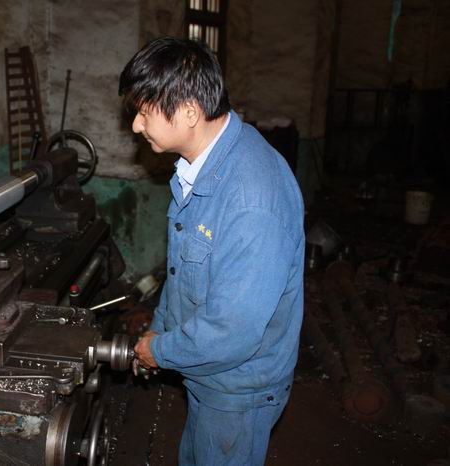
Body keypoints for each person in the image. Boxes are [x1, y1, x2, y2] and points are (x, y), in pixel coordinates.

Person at [119, 37, 305, 465]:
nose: (136, 126)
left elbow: (232, 330)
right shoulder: (204, 165)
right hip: (209, 374)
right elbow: (183, 273)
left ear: (189, 112)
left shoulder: (251, 200)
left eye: (144, 113)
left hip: (237, 389)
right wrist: (158, 331)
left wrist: (159, 351)